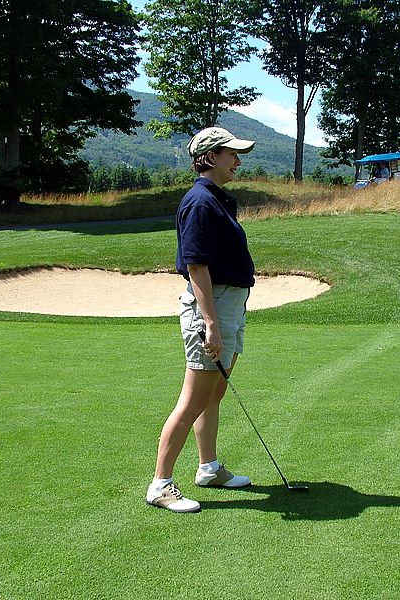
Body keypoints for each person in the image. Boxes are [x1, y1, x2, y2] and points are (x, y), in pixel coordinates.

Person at [146, 126, 257, 513]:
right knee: (194, 398)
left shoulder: (218, 199)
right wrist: (210, 323)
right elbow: (196, 264)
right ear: (210, 157)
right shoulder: (200, 202)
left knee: (215, 392)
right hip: (213, 307)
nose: (238, 161)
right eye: (232, 154)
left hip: (229, 305)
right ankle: (160, 484)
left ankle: (208, 467)